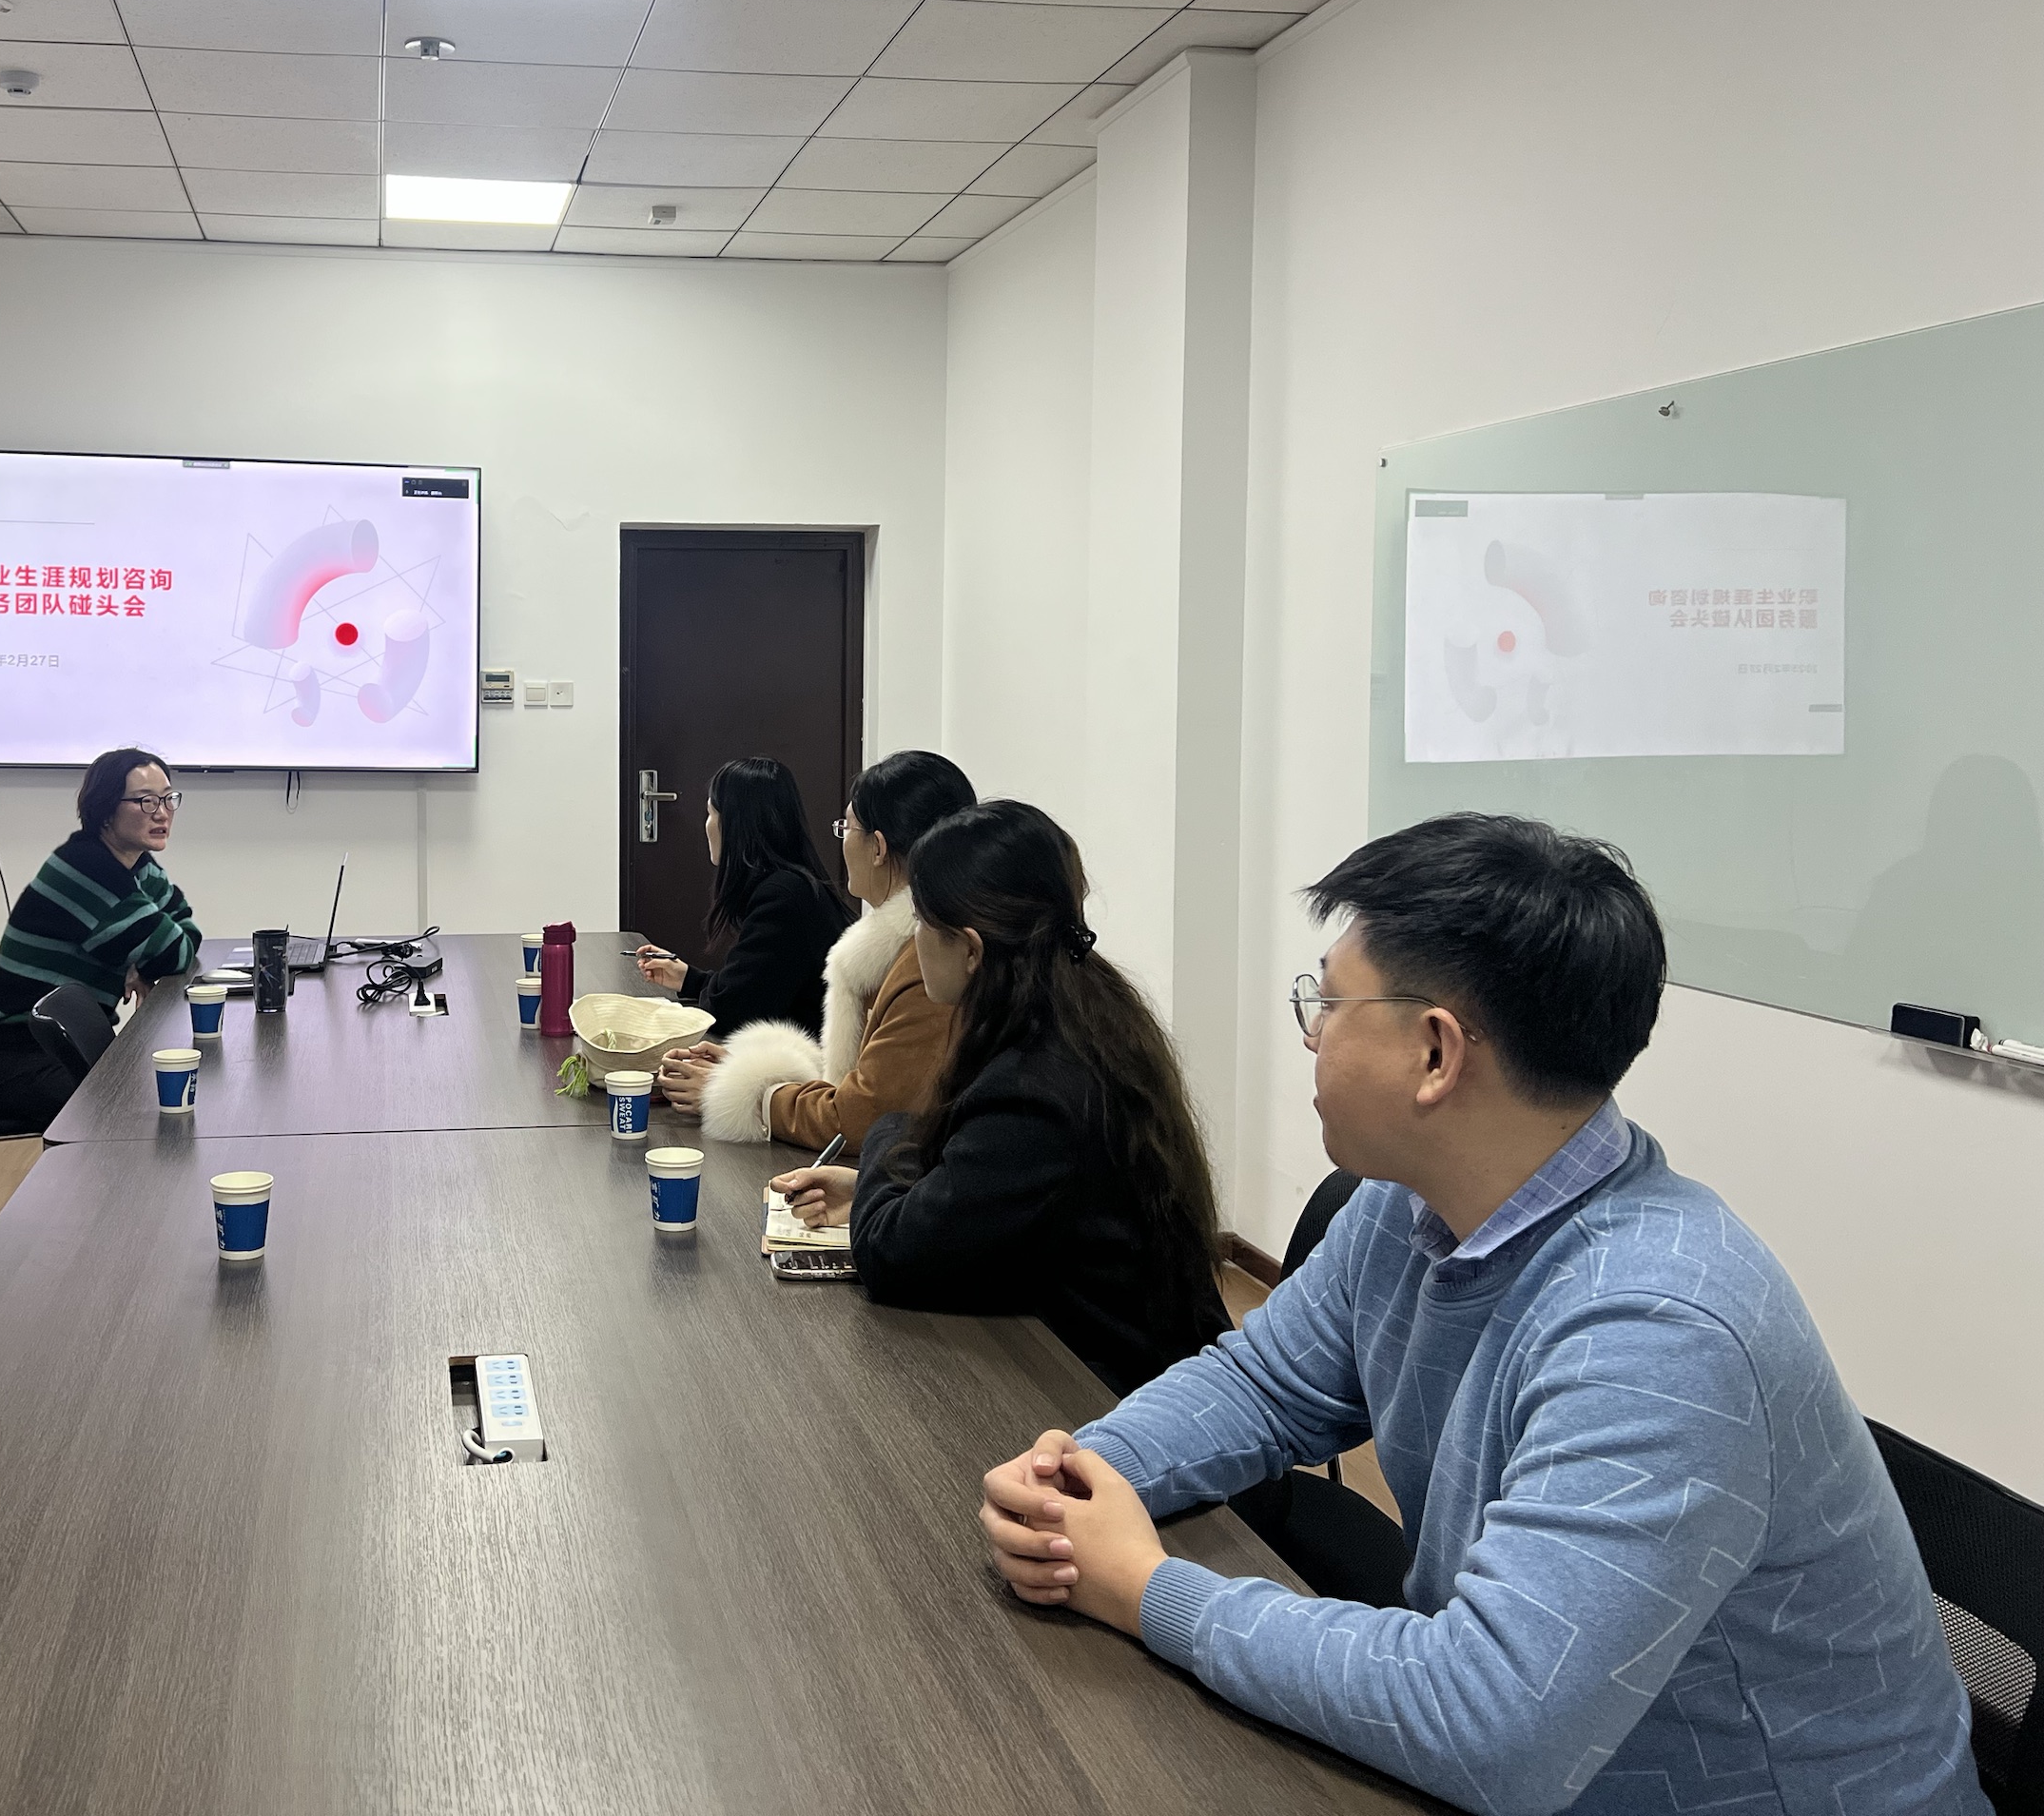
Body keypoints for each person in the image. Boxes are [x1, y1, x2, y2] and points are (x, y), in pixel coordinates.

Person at [975, 813, 1983, 1816]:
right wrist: (1083, 1478)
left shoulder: (1658, 1332)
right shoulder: (1411, 1202)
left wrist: (1145, 1588)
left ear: (1436, 1054)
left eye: (1328, 1001)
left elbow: (1492, 1725)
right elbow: (1268, 1383)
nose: (1312, 1032)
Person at [769, 801, 1230, 1394]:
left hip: (1111, 1398)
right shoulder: (1085, 1015)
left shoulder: (1033, 1088)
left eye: (922, 922)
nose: (913, 941)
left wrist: (889, 1136)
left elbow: (891, 1257)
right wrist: (875, 1187)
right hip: (1121, 1358)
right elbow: (992, 1187)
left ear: (969, 949)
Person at [661, 749, 974, 1152]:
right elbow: (861, 1084)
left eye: (847, 827)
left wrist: (747, 1092)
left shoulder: (928, 962)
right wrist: (748, 1070)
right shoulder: (899, 946)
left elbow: (859, 1116)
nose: (842, 841)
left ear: (878, 848)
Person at [0, 748, 202, 1135]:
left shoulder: (135, 864)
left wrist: (141, 959)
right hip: (27, 1062)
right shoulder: (88, 870)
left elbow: (187, 929)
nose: (162, 813)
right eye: (145, 801)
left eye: (168, 799)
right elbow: (174, 954)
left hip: (70, 1048)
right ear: (106, 810)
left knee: (175, 1093)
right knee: (158, 1109)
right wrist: (146, 958)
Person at [634, 756, 849, 1038]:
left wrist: (701, 991)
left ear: (735, 824)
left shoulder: (781, 899)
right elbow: (753, 988)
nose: (707, 825)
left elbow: (730, 1013)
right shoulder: (794, 886)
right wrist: (689, 979)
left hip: (803, 1061)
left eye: (711, 813)